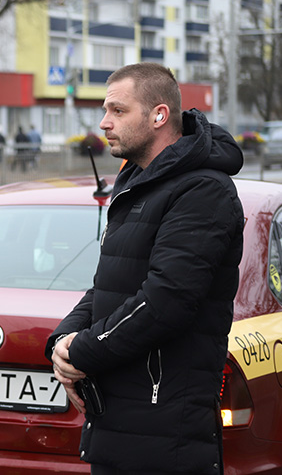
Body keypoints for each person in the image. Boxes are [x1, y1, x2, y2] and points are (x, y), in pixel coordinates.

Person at [45, 62, 244, 474]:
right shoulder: (138, 183)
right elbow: (111, 284)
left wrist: (82, 352)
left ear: (158, 115)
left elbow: (164, 301)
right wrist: (62, 340)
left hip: (164, 435)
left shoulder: (203, 190)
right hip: (117, 424)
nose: (103, 123)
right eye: (105, 110)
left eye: (118, 111)